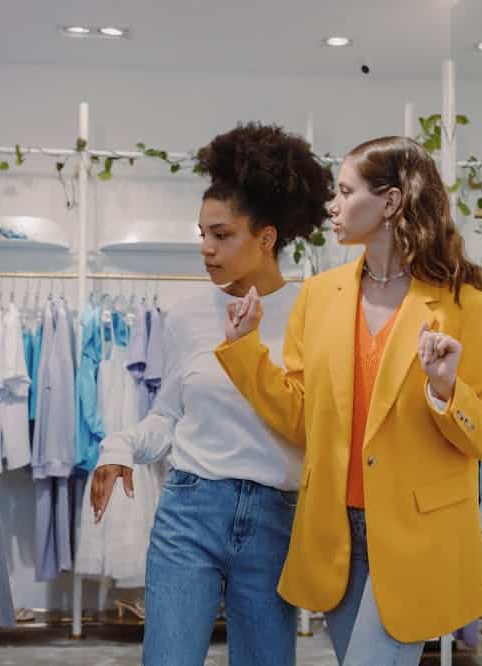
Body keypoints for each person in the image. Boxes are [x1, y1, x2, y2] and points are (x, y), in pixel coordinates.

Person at [216, 136, 482, 665]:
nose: (332, 205)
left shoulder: (470, 305)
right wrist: (245, 351)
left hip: (419, 535)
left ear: (391, 202)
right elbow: (301, 418)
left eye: (346, 192)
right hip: (335, 532)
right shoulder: (319, 297)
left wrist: (446, 390)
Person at [88, 123, 332, 666]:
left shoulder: (315, 314)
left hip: (276, 518)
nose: (205, 249)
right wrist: (119, 447)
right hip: (189, 512)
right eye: (201, 233)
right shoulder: (186, 315)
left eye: (221, 235)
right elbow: (168, 417)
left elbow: (314, 423)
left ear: (266, 238)